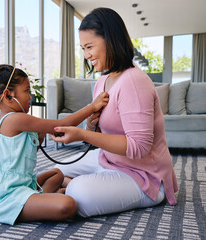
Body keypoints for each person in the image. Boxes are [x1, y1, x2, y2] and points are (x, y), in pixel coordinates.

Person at [50, 7, 178, 218]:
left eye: (89, 46)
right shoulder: (102, 82)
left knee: (78, 193)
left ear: (110, 40)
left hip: (143, 175)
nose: (86, 55)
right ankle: (76, 183)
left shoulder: (134, 81)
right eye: (82, 48)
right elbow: (101, 136)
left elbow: (139, 147)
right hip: (109, 159)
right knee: (54, 172)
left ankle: (75, 186)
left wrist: (83, 134)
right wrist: (91, 124)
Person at [0, 64, 109, 225]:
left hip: (22, 183)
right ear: (8, 95)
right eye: (26, 91)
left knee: (57, 174)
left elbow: (30, 149)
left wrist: (40, 134)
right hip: (6, 195)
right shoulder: (14, 119)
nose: (30, 97)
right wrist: (92, 106)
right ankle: (44, 201)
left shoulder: (17, 119)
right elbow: (63, 123)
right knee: (67, 205)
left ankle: (41, 200)